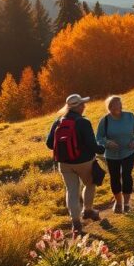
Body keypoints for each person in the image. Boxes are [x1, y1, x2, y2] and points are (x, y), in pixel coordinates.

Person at [46, 94, 106, 234]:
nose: (84, 106)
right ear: (77, 106)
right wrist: (102, 148)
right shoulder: (83, 122)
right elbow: (92, 145)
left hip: (64, 164)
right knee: (90, 184)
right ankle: (88, 210)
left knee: (71, 191)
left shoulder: (58, 122)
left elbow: (49, 144)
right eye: (82, 104)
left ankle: (76, 223)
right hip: (84, 162)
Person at [97, 95, 134, 214]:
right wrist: (107, 143)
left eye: (119, 104)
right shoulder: (105, 120)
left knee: (126, 175)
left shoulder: (129, 116)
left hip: (129, 152)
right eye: (115, 104)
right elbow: (98, 137)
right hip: (111, 155)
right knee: (114, 178)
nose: (118, 106)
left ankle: (127, 203)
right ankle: (118, 202)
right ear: (109, 107)